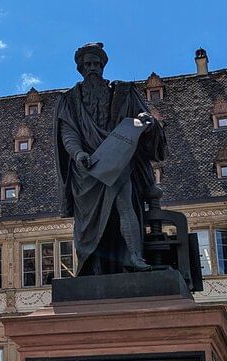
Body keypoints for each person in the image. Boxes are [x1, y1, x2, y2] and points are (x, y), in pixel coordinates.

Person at [55, 42, 167, 276]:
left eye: (97, 64)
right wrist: (78, 154)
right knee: (87, 225)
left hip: (117, 159)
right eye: (88, 64)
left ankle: (134, 256)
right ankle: (93, 266)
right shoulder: (69, 100)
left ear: (104, 66)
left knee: (125, 206)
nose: (93, 68)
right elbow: (68, 133)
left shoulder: (123, 92)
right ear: (80, 68)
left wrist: (146, 121)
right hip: (86, 169)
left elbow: (143, 118)